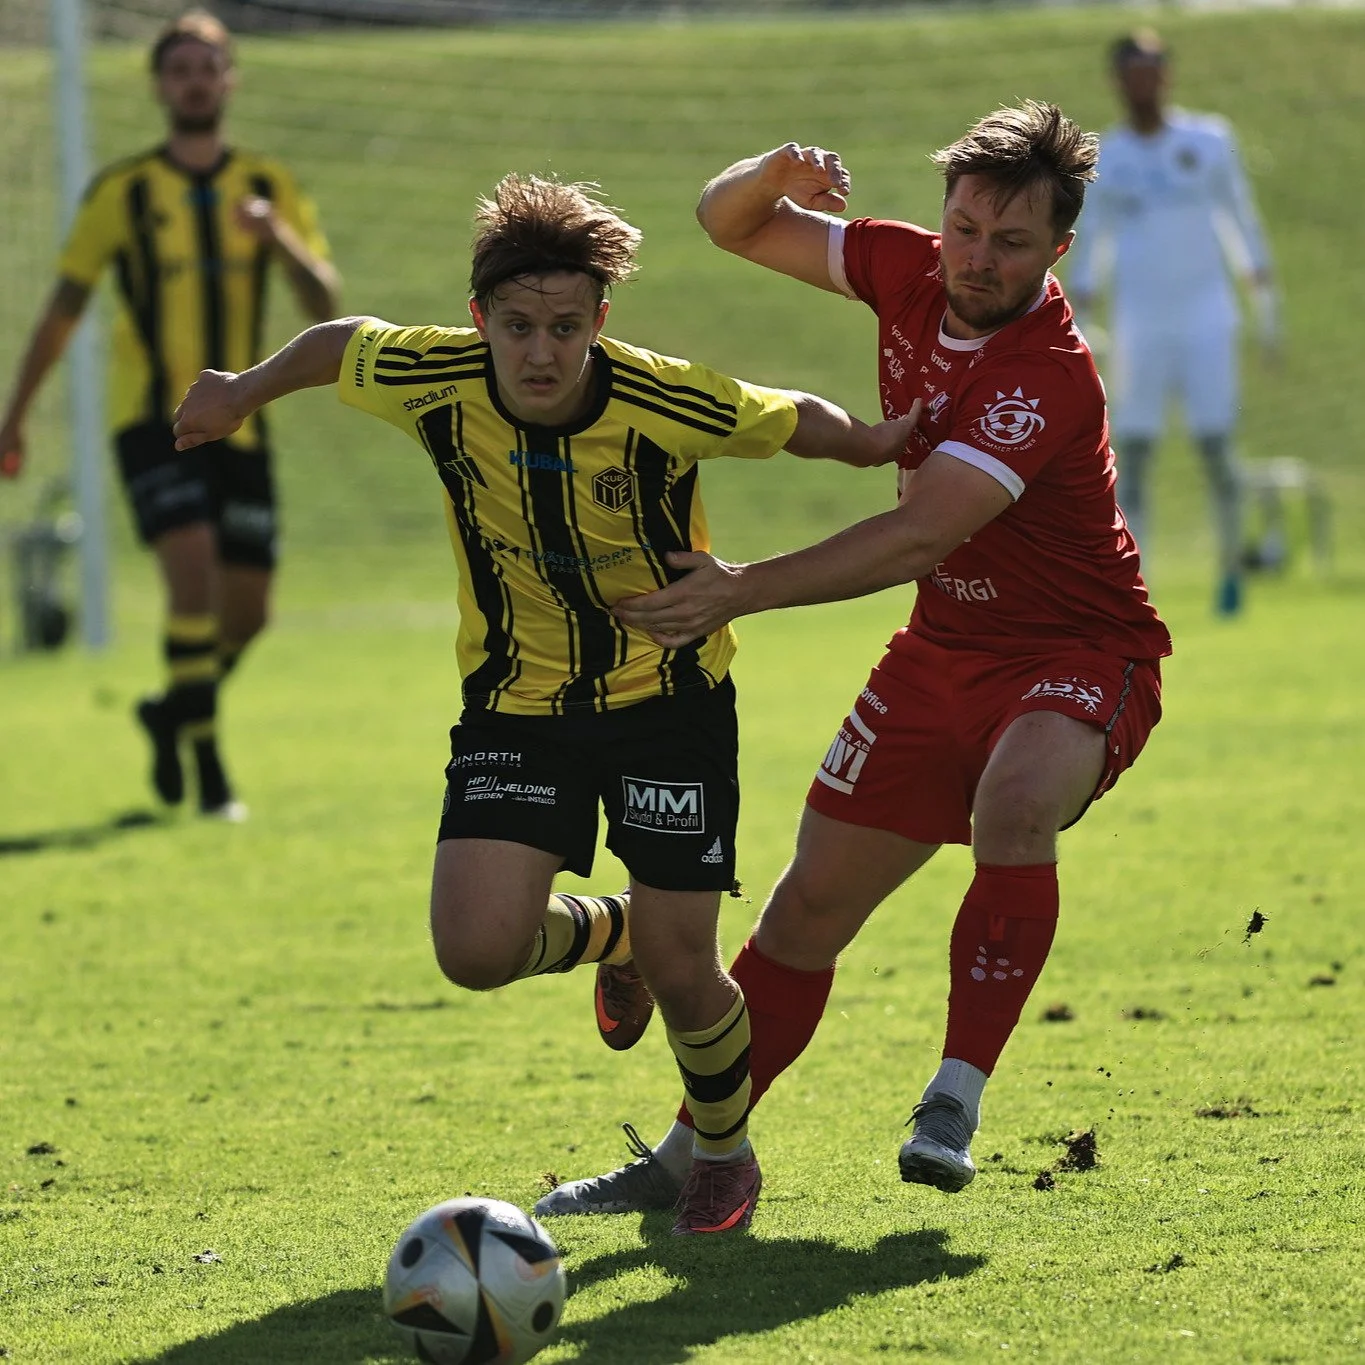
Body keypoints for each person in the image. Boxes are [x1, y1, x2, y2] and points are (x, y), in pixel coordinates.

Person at [171, 172, 915, 1236]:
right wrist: (241, 389)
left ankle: (723, 1151)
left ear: (599, 322)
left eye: (566, 327)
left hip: (671, 700)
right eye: (517, 326)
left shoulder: (661, 397)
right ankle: (613, 935)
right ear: (481, 320)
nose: (540, 351)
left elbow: (788, 418)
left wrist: (879, 443)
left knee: (688, 967)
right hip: (515, 704)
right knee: (474, 950)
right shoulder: (435, 375)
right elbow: (339, 341)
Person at [534, 102, 1171, 1232]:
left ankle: (953, 1102)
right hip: (941, 651)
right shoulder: (909, 267)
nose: (976, 259)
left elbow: (921, 533)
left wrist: (741, 586)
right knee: (803, 912)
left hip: (1081, 651)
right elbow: (728, 223)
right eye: (965, 228)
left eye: (1010, 243)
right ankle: (692, 1156)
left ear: (1057, 251)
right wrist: (772, 168)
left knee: (1012, 808)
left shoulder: (1048, 377)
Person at [0, 9, 340, 816]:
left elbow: (324, 299)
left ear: (229, 81)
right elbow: (62, 309)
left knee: (249, 610)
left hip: (243, 416)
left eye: (207, 67)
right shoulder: (123, 190)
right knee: (190, 575)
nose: (194, 81)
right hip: (151, 420)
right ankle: (210, 770)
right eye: (180, 68)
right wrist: (15, 416)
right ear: (159, 86)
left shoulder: (267, 185)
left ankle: (171, 709)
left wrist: (277, 237)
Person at [1067, 29, 1279, 617]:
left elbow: (1240, 219)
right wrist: (1079, 318)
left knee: (1215, 445)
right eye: (1132, 72)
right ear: (1117, 81)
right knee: (1134, 452)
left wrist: (1266, 309)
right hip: (1141, 323)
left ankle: (1232, 566)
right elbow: (1092, 246)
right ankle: (1137, 580)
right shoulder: (1109, 156)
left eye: (1153, 70)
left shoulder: (1208, 140)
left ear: (1167, 75)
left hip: (1207, 316)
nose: (1144, 83)